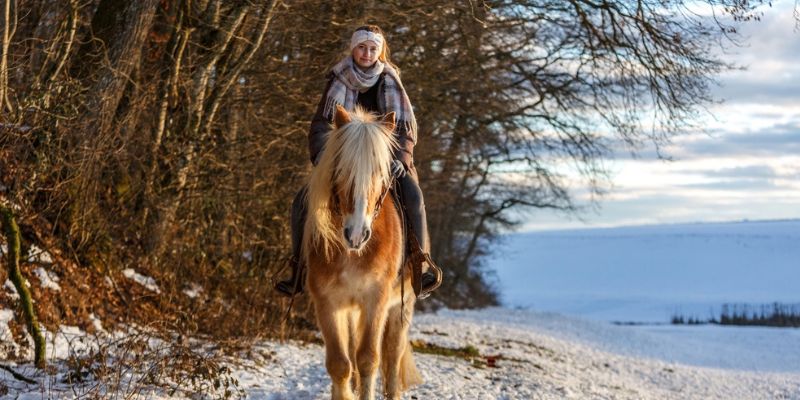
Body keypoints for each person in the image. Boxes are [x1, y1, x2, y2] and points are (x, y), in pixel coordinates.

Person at [275, 25, 441, 298]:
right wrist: (322, 157)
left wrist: (400, 158)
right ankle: (299, 271)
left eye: (373, 49)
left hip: (384, 161)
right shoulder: (338, 79)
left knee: (413, 196)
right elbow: (321, 124)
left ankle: (419, 266)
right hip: (345, 162)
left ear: (380, 51)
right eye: (362, 48)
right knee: (302, 202)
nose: (367, 53)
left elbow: (404, 130)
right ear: (353, 49)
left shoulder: (391, 81)